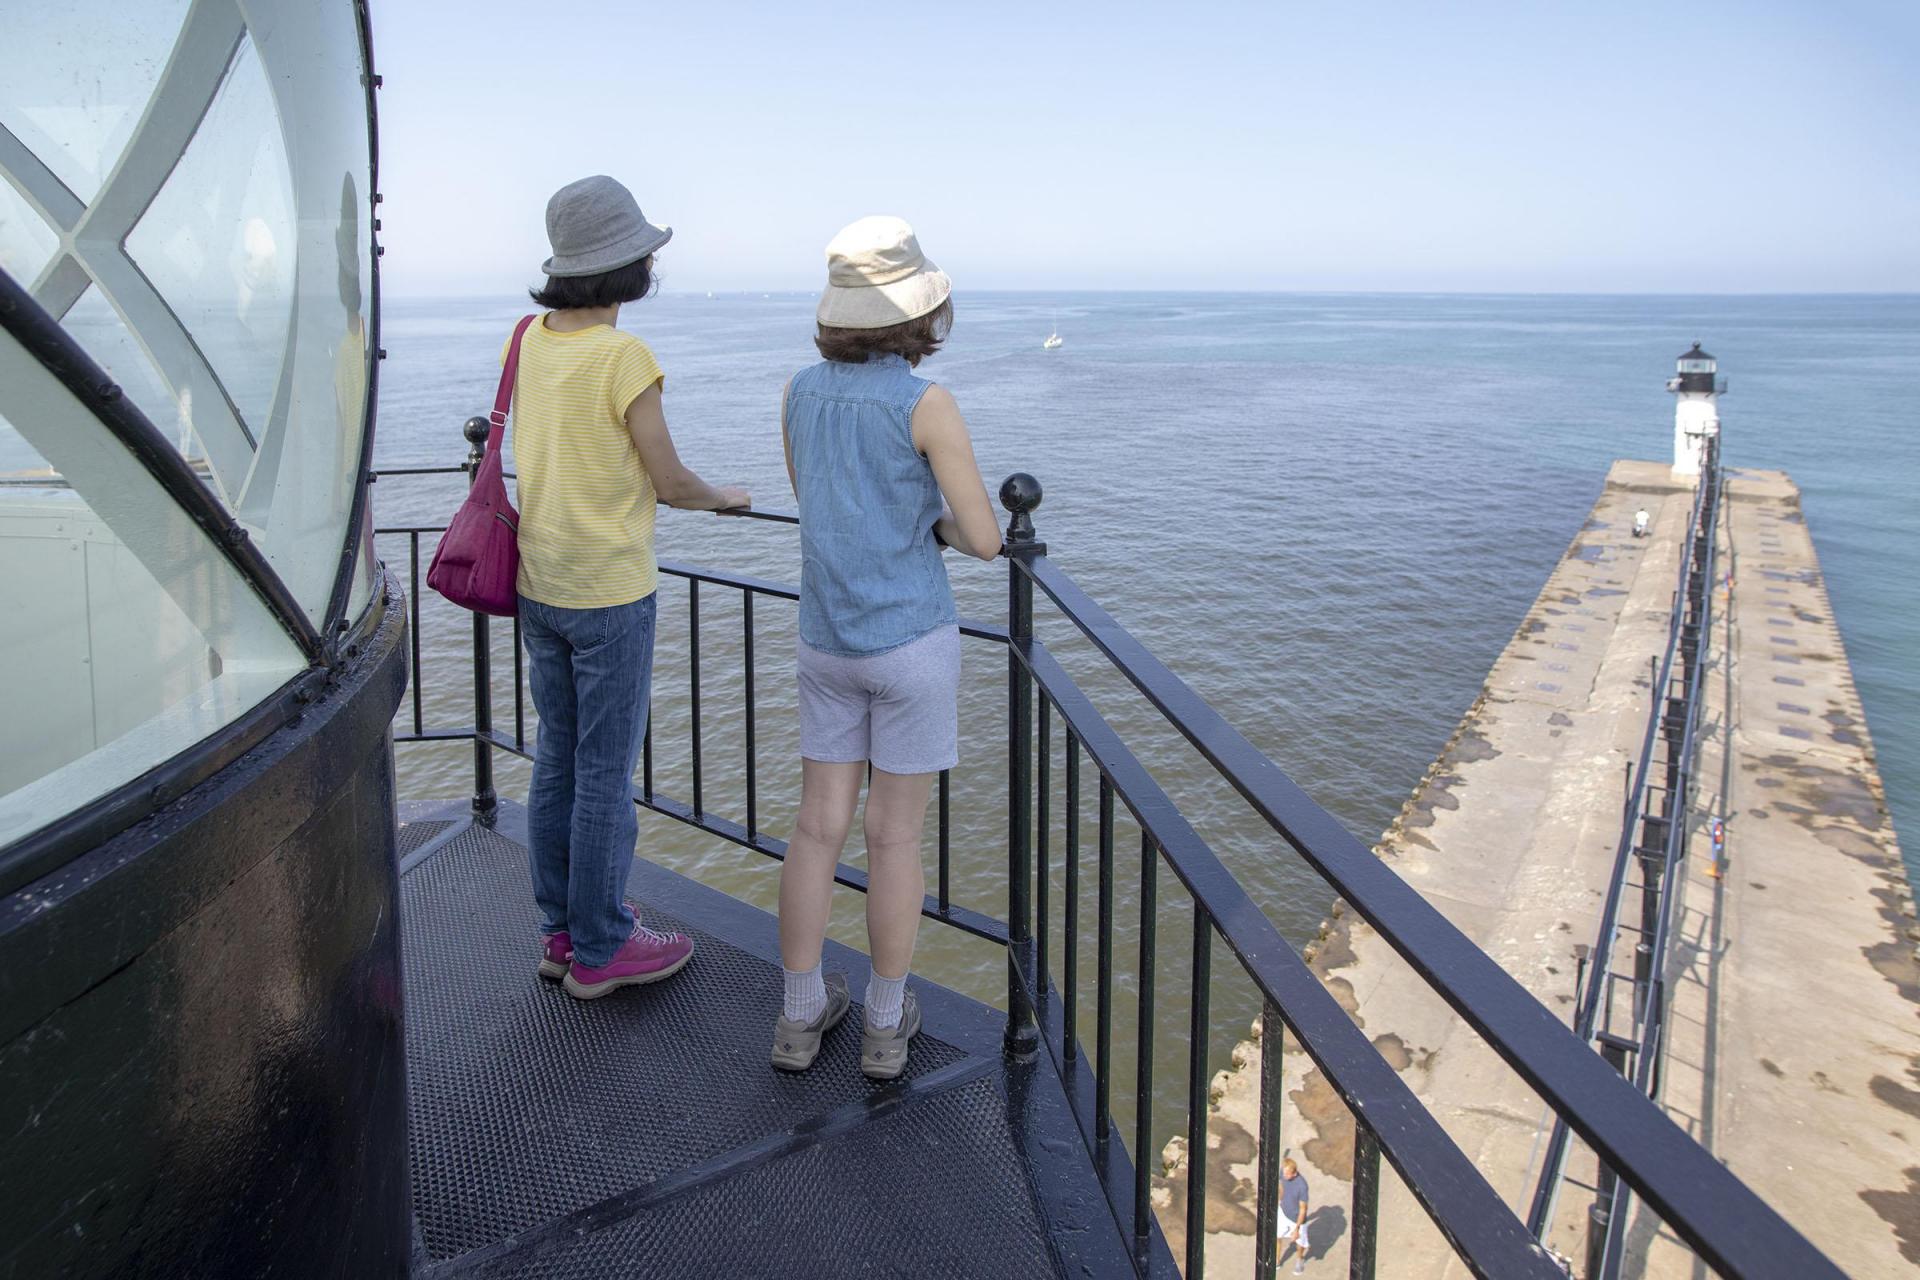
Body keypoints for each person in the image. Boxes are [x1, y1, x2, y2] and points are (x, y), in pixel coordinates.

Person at [769, 216, 1002, 1078]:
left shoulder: (798, 390)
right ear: (920, 314)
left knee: (815, 826)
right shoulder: (925, 404)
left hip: (825, 637)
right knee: (893, 838)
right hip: (909, 641)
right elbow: (982, 538)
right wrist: (929, 519)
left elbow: (819, 502)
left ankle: (799, 1017)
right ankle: (881, 1020)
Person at [512, 176, 750, 999]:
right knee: (604, 774)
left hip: (540, 582)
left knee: (556, 761)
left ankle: (561, 933)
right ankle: (604, 948)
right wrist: (726, 497)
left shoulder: (531, 338)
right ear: (627, 266)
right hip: (609, 594)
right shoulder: (625, 356)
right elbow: (671, 480)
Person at [1278, 1157, 1311, 1273]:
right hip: (1283, 1212)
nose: (1284, 1175)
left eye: (1287, 1174)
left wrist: (1296, 1229)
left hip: (1297, 1218)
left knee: (1300, 1243)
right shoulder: (1283, 1174)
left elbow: (1303, 1209)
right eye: (1284, 1172)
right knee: (1277, 1236)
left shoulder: (1302, 1186)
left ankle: (1299, 1259)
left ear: (1294, 1173)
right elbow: (1281, 1184)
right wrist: (1280, 1198)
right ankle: (1276, 1261)